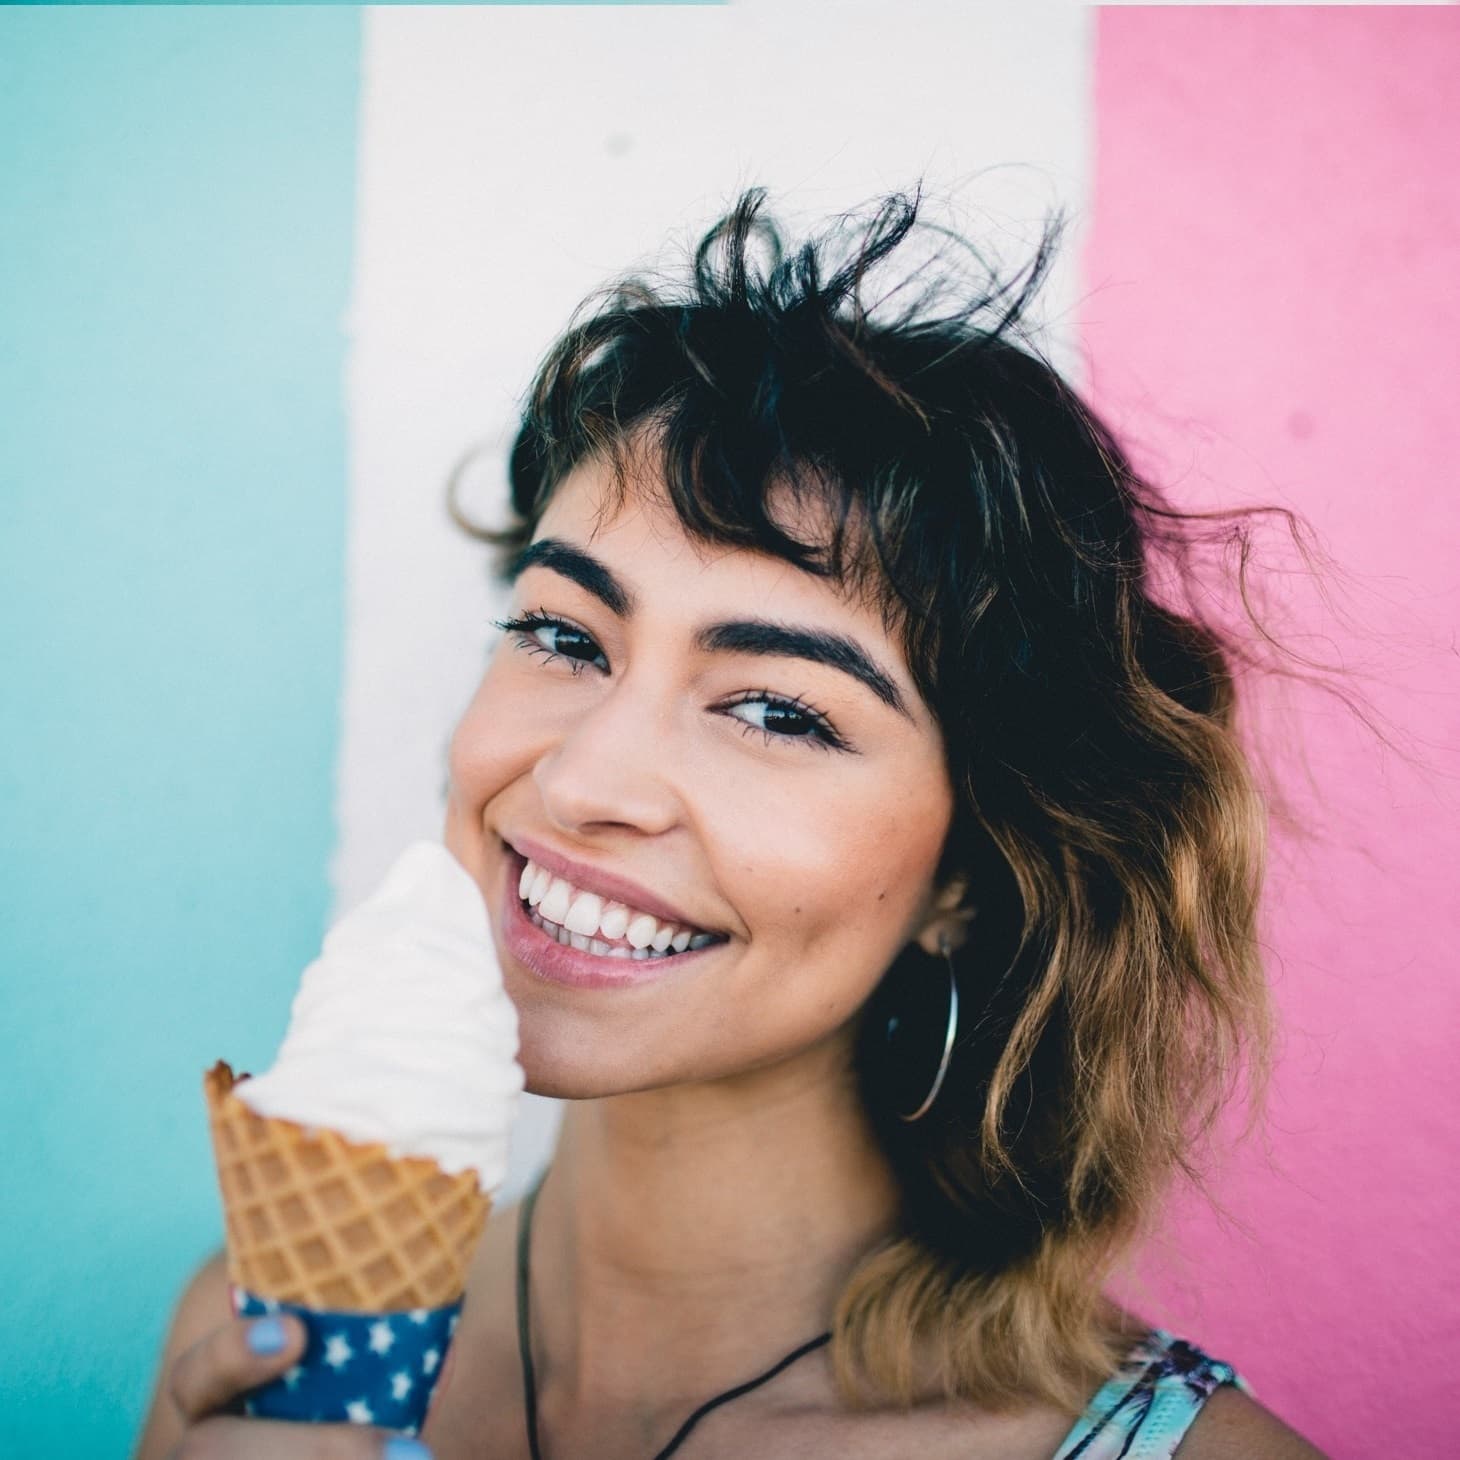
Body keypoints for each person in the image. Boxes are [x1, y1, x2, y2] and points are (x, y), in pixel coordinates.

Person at [135, 187, 1326, 1459]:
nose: (588, 778)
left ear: (964, 874)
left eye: (773, 710)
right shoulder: (256, 1349)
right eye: (561, 634)